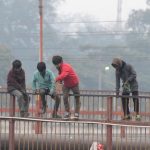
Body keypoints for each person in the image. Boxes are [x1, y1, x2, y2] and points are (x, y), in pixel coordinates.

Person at [52, 55, 81, 120]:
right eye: (55, 65)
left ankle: (77, 113)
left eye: (57, 64)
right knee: (65, 97)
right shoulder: (59, 67)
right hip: (66, 85)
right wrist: (58, 84)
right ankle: (67, 112)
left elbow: (63, 75)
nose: (56, 66)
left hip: (74, 83)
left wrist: (56, 79)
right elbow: (60, 75)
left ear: (61, 62)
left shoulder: (66, 67)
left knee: (77, 97)